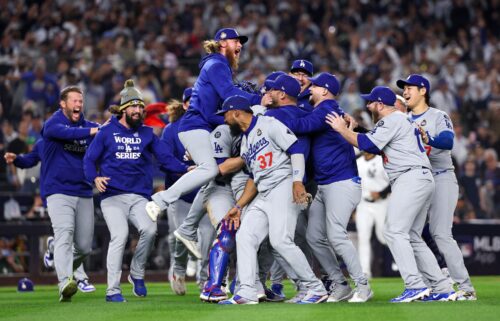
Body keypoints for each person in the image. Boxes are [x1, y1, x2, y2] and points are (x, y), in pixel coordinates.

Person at [326, 85, 456, 302]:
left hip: (410, 177)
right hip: (420, 177)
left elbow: (368, 145)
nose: (368, 106)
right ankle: (442, 286)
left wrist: (342, 130)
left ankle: (415, 285)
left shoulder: (392, 119)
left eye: (370, 102)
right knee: (412, 235)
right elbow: (374, 142)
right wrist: (355, 129)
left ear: (380, 104)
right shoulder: (400, 120)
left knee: (394, 231)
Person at [83, 79, 188, 303]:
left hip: (140, 197)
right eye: (134, 106)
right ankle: (112, 290)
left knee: (149, 231)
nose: (139, 110)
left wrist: (188, 168)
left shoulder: (148, 133)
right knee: (119, 236)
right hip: (112, 196)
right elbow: (89, 160)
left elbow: (166, 160)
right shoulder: (106, 131)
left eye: (141, 107)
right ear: (123, 108)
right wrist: (94, 177)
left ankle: (136, 273)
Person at [218, 95, 328, 305]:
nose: (224, 120)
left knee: (280, 241)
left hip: (283, 185)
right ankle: (248, 292)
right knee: (245, 237)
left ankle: (315, 288)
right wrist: (238, 206)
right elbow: (253, 178)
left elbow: (295, 149)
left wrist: (297, 181)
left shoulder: (269, 124)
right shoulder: (246, 141)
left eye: (225, 115)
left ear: (236, 112)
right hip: (264, 191)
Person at [145, 28, 262, 220]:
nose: (240, 45)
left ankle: (188, 229)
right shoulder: (217, 64)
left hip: (201, 126)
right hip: (195, 125)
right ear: (223, 43)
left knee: (210, 176)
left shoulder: (219, 65)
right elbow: (229, 94)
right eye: (236, 41)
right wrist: (258, 99)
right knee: (210, 169)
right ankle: (161, 201)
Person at [284, 72, 372, 303]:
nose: (309, 89)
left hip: (341, 182)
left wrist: (274, 114)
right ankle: (340, 285)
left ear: (324, 90)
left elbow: (301, 125)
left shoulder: (326, 108)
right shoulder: (326, 110)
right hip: (325, 184)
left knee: (336, 235)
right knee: (314, 237)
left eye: (313, 86)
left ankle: (363, 285)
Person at [398, 74, 476, 300]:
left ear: (423, 90)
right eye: (404, 88)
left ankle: (466, 287)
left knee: (440, 233)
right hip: (416, 181)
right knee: (410, 233)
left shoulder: (438, 115)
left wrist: (427, 137)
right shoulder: (403, 119)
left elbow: (447, 142)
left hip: (441, 177)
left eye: (409, 87)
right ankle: (430, 284)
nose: (405, 91)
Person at [4, 140, 96, 293]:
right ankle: (79, 278)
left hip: (80, 193)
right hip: (57, 194)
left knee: (81, 244)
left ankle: (54, 249)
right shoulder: (45, 143)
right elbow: (30, 159)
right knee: (67, 234)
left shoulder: (79, 139)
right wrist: (18, 160)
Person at [40, 85, 99, 302]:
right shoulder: (53, 123)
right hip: (58, 190)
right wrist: (93, 131)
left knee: (83, 247)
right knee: (65, 232)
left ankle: (55, 250)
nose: (78, 104)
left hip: (83, 190)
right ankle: (65, 282)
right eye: (73, 100)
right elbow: (63, 133)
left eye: (80, 101)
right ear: (62, 104)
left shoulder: (89, 126)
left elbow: (105, 135)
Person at [355, 151, 390, 279]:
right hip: (363, 204)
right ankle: (365, 272)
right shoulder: (357, 162)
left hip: (382, 203)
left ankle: (406, 264)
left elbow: (393, 180)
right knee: (363, 237)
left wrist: (381, 193)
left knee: (384, 237)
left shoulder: (381, 161)